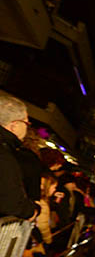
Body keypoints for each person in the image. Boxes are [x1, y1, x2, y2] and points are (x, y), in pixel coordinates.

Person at [0, 91, 39, 220]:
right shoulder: (4, 154)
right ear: (14, 125)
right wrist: (32, 210)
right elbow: (11, 203)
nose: (27, 128)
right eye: (26, 123)